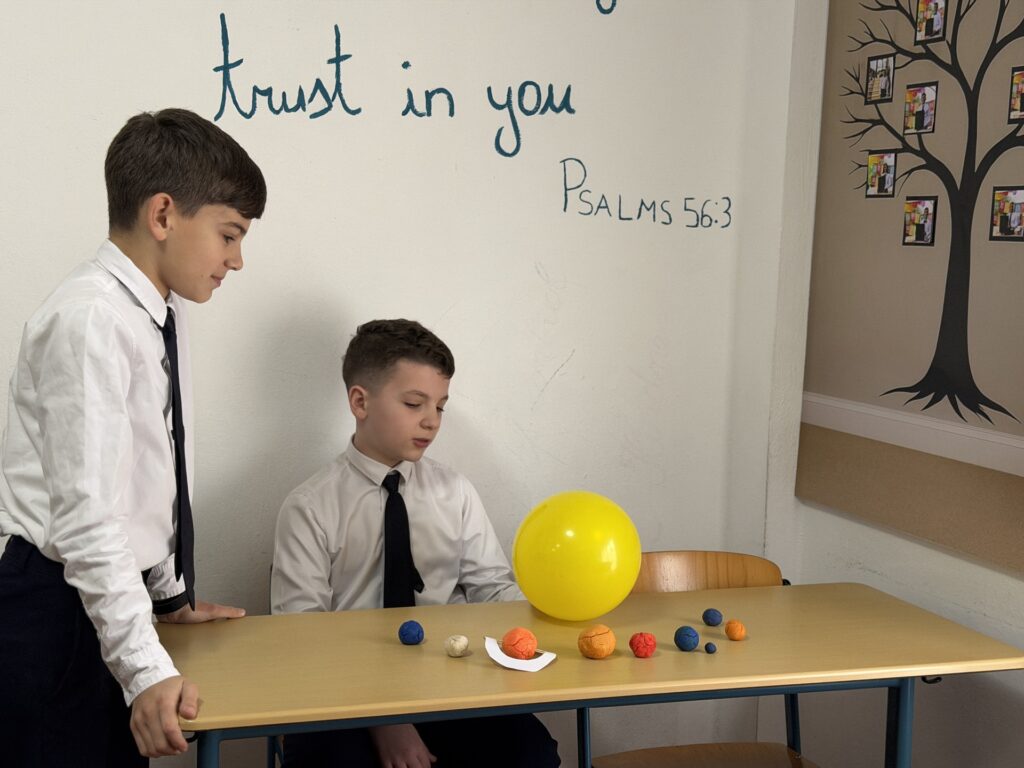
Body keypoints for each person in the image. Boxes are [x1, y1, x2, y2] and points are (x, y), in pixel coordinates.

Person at [0, 108, 267, 766]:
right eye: (229, 235)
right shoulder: (91, 321)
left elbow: (148, 477)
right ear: (164, 215)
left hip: (110, 598)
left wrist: (167, 597)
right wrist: (145, 669)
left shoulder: (153, 312)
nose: (237, 260)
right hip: (58, 614)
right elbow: (88, 520)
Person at [272, 319, 561, 768]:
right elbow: (301, 636)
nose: (432, 421)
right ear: (360, 402)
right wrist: (383, 718)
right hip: (343, 694)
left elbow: (491, 588)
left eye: (440, 406)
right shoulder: (309, 507)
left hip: (450, 683)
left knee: (532, 753)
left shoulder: (455, 491)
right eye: (413, 403)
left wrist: (551, 616)